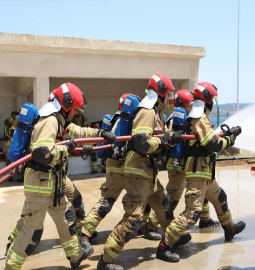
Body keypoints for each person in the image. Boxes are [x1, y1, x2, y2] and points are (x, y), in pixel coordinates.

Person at [4, 83, 116, 270]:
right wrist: (67, 149)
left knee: (66, 218)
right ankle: (11, 266)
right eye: (74, 110)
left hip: (51, 184)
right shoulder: (50, 121)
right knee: (30, 230)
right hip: (40, 185)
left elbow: (79, 132)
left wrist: (101, 134)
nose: (76, 114)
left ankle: (75, 256)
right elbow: (42, 153)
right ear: (66, 105)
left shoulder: (59, 121)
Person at [97, 73, 182, 270]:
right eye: (169, 93)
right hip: (138, 170)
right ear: (160, 93)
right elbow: (142, 143)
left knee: (163, 204)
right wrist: (165, 140)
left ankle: (169, 242)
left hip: (148, 171)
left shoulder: (157, 112)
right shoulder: (148, 112)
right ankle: (106, 260)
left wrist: (167, 137)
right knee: (133, 218)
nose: (171, 98)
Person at [157, 82, 246, 263]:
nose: (213, 103)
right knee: (192, 213)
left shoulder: (196, 117)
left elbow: (208, 140)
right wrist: (230, 139)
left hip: (205, 174)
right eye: (212, 99)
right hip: (197, 173)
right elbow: (213, 144)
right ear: (208, 100)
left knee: (221, 198)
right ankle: (165, 245)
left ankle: (230, 229)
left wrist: (227, 135)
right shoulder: (199, 119)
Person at [143, 89, 220, 240]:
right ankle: (150, 226)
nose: (193, 107)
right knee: (172, 198)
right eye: (190, 104)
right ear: (185, 105)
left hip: (186, 164)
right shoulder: (175, 120)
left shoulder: (187, 118)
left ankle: (205, 219)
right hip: (177, 166)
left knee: (201, 192)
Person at [79, 93, 136, 245]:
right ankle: (84, 234)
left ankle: (149, 227)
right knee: (107, 202)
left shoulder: (120, 119)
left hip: (127, 165)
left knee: (152, 196)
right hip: (119, 165)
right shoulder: (121, 120)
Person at [4, 111, 19, 182]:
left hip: (16, 143)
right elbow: (11, 133)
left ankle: (20, 176)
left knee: (19, 160)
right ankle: (9, 176)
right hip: (8, 144)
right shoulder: (8, 122)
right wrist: (13, 118)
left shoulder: (18, 121)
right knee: (9, 161)